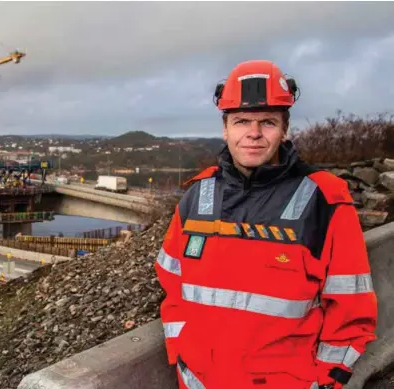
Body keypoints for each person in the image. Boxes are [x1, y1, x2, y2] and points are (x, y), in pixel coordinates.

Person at [154, 60, 378, 389]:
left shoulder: (324, 202)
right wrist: (181, 352)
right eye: (242, 121)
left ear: (285, 129)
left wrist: (326, 381)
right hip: (198, 381)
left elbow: (351, 307)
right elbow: (172, 283)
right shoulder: (197, 197)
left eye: (268, 122)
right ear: (225, 128)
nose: (254, 133)